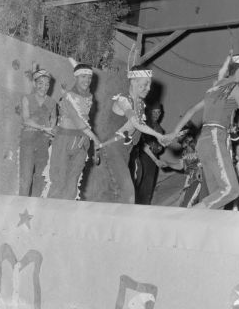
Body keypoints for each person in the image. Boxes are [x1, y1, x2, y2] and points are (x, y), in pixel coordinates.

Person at [166, 53, 239, 210]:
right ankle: (191, 214)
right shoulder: (236, 88)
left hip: (204, 142)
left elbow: (191, 110)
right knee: (231, 191)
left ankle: (204, 228)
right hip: (215, 138)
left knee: (217, 201)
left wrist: (174, 133)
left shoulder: (215, 87)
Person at [99, 65, 170, 204]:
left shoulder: (141, 105)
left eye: (149, 84)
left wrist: (155, 159)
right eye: (145, 84)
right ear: (133, 82)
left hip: (125, 153)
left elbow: (139, 137)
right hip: (113, 150)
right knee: (128, 194)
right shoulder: (123, 100)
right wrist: (159, 135)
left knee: (114, 194)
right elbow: (136, 123)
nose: (149, 88)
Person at [48, 62, 101, 200]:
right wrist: (96, 139)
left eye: (89, 77)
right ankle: (49, 216)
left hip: (82, 143)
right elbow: (78, 122)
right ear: (76, 77)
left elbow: (85, 120)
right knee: (58, 181)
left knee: (73, 182)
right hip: (64, 140)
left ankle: (66, 217)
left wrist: (91, 141)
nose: (87, 81)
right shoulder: (68, 97)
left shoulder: (89, 97)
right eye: (83, 77)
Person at [19, 68, 56, 197]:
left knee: (40, 177)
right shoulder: (27, 98)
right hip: (28, 139)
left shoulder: (52, 102)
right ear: (35, 84)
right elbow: (26, 120)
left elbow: (54, 120)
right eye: (40, 83)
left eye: (47, 84)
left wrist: (51, 130)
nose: (44, 87)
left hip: (43, 142)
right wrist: (43, 128)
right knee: (26, 177)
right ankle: (20, 205)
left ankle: (35, 209)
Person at [133, 102, 166, 205]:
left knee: (148, 187)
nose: (156, 115)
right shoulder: (145, 125)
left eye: (159, 112)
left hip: (152, 161)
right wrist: (155, 159)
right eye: (154, 112)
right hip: (142, 158)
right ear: (149, 112)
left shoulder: (159, 128)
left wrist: (160, 147)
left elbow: (159, 146)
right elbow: (143, 145)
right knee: (139, 185)